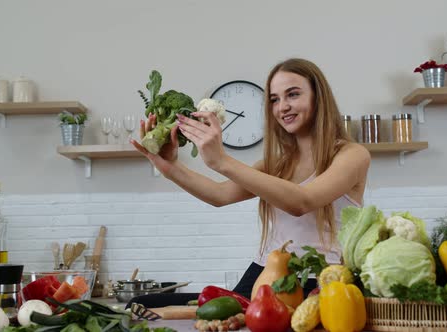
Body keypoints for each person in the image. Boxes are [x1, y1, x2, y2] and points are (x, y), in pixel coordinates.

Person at [129, 58, 370, 307]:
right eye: (275, 99)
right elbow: (219, 195)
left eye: (293, 94)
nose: (282, 107)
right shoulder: (276, 164)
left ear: (318, 98)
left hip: (320, 279)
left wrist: (221, 161)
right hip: (263, 272)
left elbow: (302, 201)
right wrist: (169, 166)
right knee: (142, 303)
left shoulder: (352, 155)